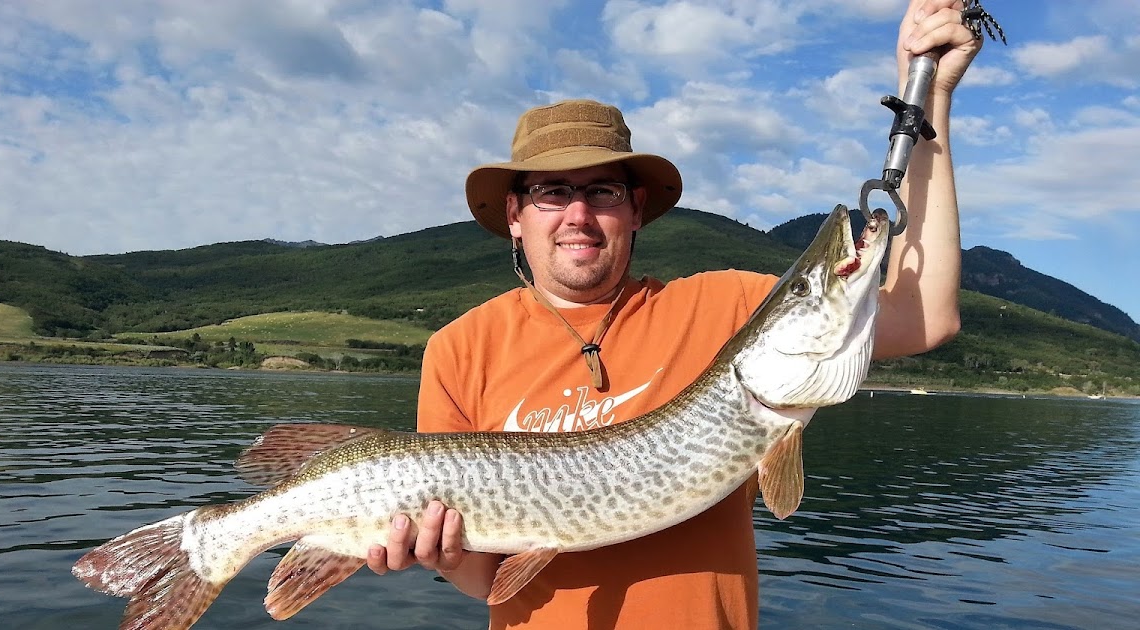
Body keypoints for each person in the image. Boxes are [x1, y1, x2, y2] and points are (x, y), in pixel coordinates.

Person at [367, 1, 982, 628]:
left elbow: (924, 314)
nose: (577, 215)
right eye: (551, 192)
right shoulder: (458, 348)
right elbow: (486, 582)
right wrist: (439, 554)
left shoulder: (725, 307)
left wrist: (929, 96)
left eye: (601, 191)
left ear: (635, 209)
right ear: (515, 216)